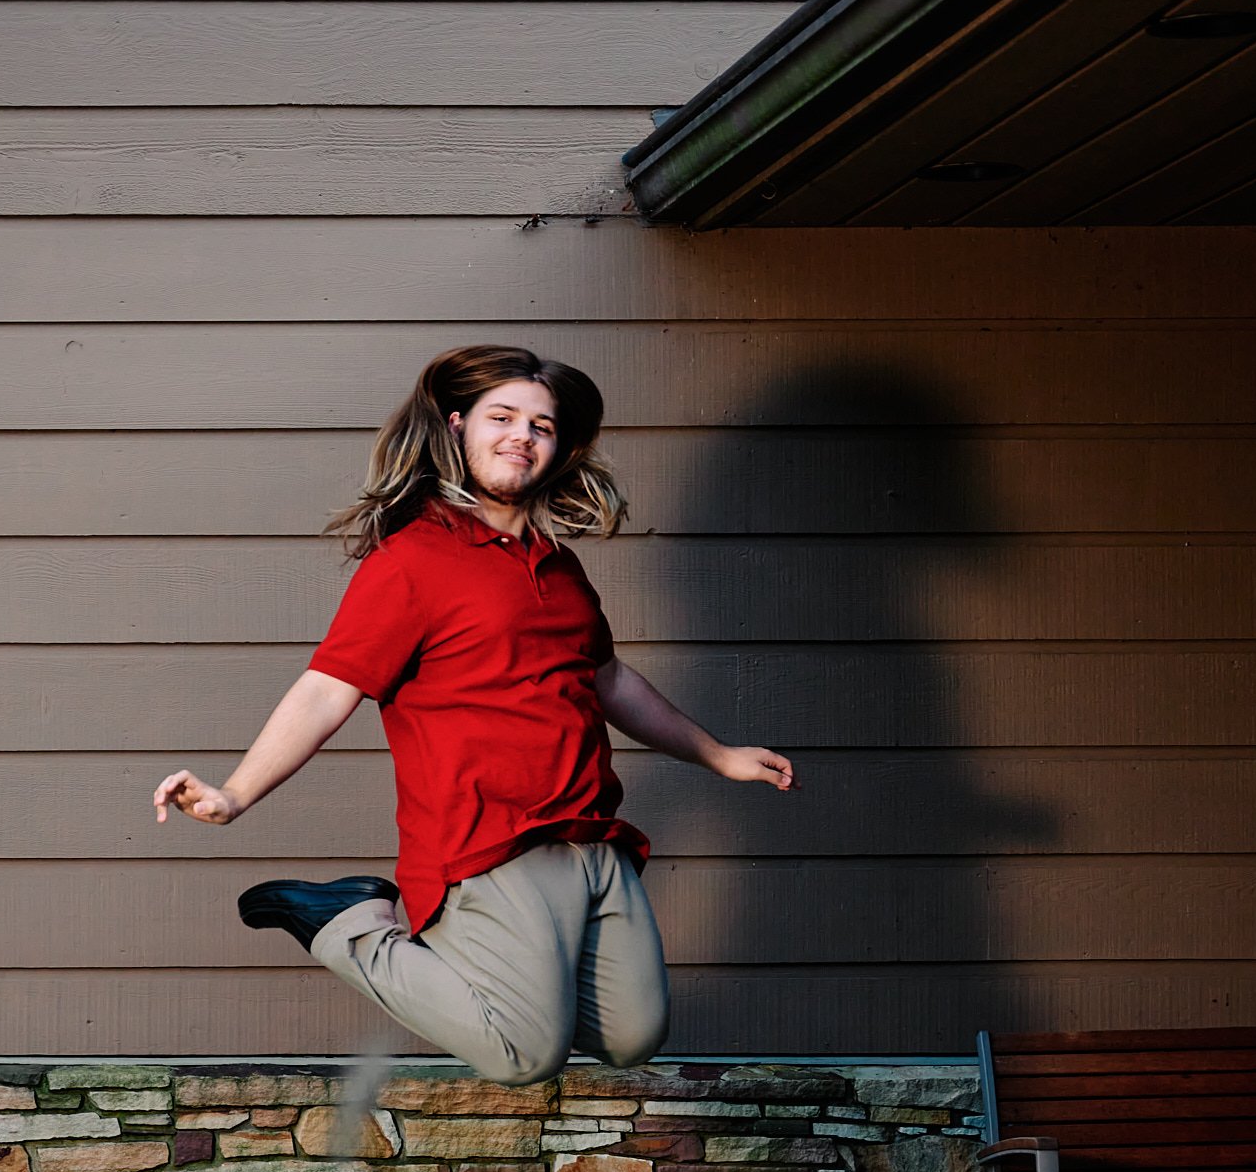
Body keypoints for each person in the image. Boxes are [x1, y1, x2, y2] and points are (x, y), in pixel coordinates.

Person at [153, 345, 794, 1087]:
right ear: (457, 427)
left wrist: (718, 755)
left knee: (633, 1035)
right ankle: (347, 923)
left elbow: (609, 679)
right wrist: (234, 794)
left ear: (557, 449)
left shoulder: (559, 565)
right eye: (503, 417)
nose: (523, 434)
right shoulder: (412, 560)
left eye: (542, 425)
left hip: (590, 836)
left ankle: (484, 970)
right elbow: (328, 688)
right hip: (489, 842)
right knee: (526, 1050)